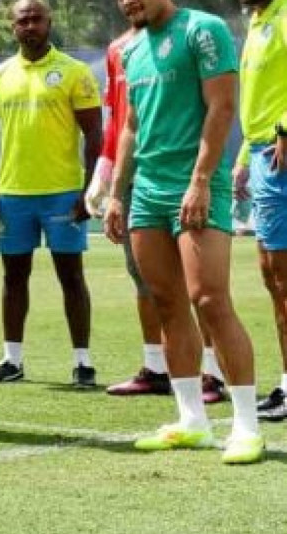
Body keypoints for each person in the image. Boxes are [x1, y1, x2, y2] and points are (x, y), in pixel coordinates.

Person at [103, 0, 263, 464]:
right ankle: (192, 420)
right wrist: (115, 192)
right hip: (146, 190)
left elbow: (223, 107)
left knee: (210, 300)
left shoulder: (204, 29)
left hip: (198, 186)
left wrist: (199, 182)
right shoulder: (130, 50)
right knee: (165, 302)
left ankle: (245, 426)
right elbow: (130, 126)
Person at [0, 0, 102, 388]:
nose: (30, 26)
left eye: (37, 19)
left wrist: (90, 188)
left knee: (71, 276)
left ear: (49, 22)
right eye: (23, 21)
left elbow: (94, 134)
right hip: (12, 195)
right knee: (13, 278)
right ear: (13, 27)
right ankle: (12, 359)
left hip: (63, 193)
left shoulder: (74, 72)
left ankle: (83, 362)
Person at [88, 28, 228, 403]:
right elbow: (122, 119)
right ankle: (156, 368)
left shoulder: (191, 34)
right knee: (148, 280)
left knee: (200, 290)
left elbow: (219, 103)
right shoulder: (119, 48)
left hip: (181, 170)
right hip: (134, 173)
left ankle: (213, 373)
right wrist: (106, 171)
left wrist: (202, 176)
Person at [233, 0, 287, 422]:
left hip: (283, 155)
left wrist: (285, 127)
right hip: (265, 156)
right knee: (273, 277)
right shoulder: (258, 21)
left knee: (282, 277)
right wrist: (245, 156)